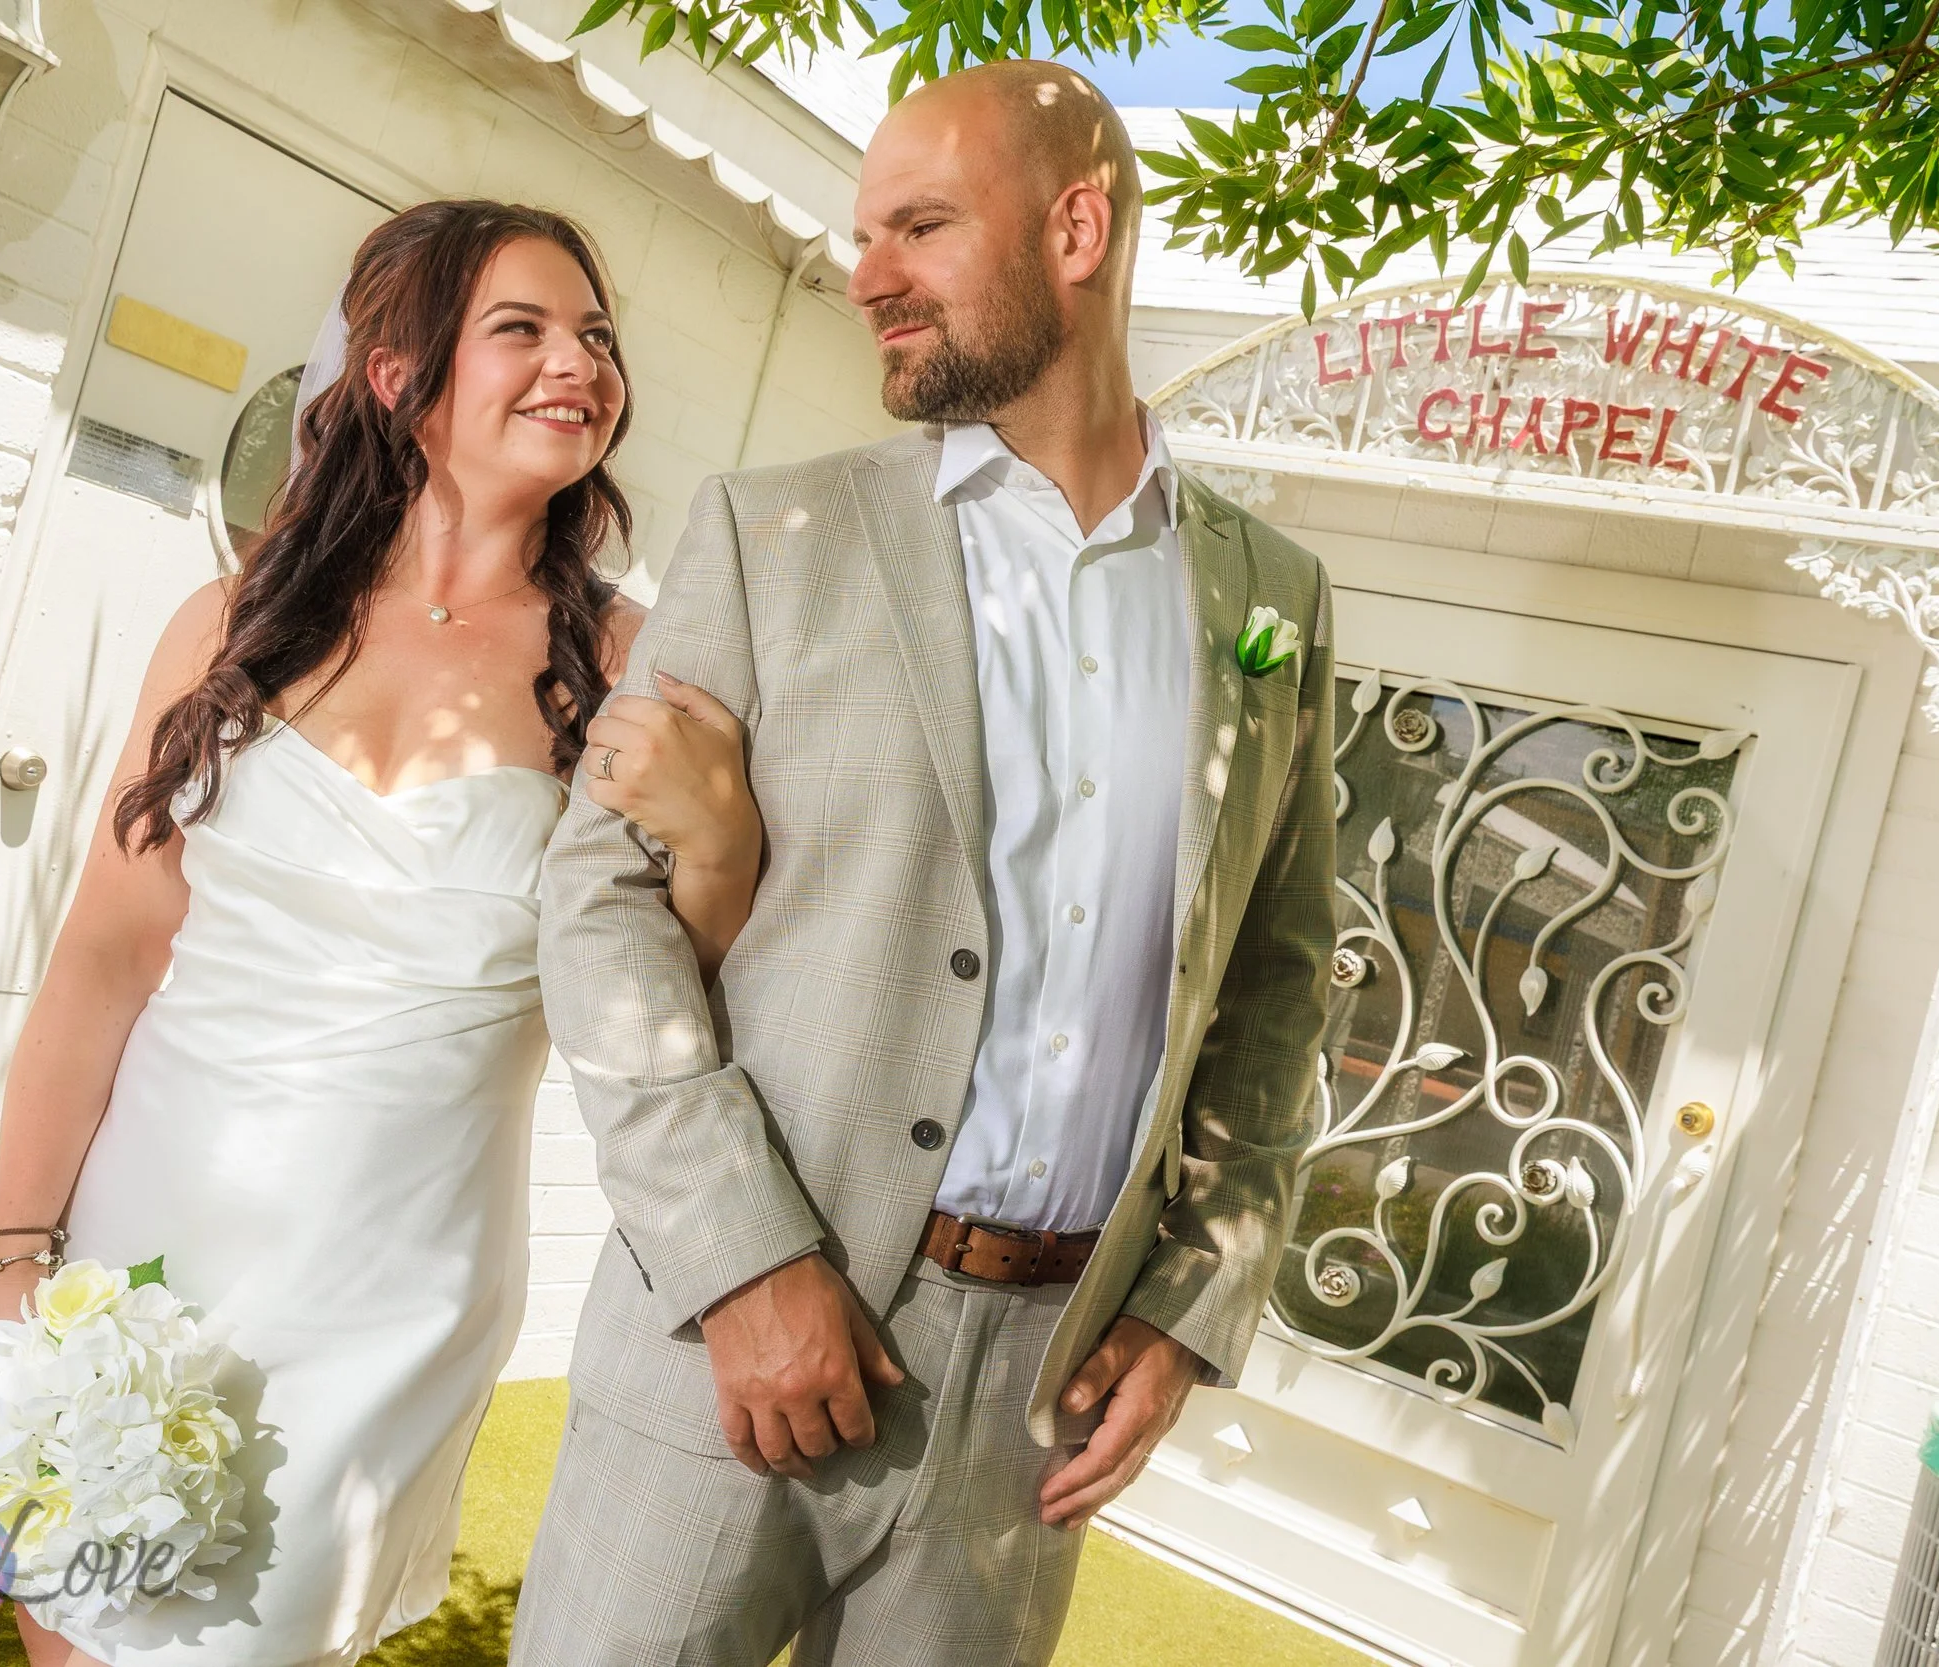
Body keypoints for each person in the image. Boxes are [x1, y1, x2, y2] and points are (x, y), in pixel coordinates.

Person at [512, 60, 1336, 1666]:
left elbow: (1277, 982)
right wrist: (743, 1262)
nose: (862, 270)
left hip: (1034, 1406)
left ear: (1077, 226)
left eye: (920, 226)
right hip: (731, 1349)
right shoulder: (778, 533)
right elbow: (597, 905)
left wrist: (1187, 1300)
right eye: (859, 230)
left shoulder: (1275, 603)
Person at [0, 199, 761, 1667]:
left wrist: (720, 836)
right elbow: (104, 962)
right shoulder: (234, 625)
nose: (576, 362)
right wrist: (13, 1262)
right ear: (399, 376)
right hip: (149, 1235)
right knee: (65, 1628)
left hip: (391, 1282)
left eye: (595, 335)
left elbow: (687, 985)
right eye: (519, 328)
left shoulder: (630, 671)